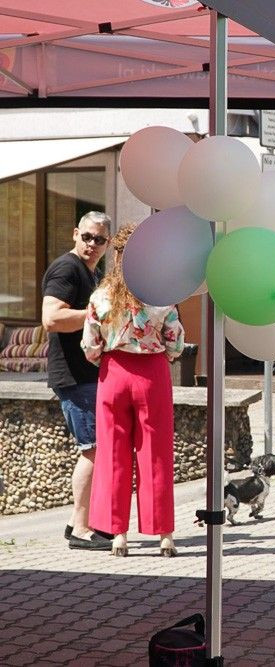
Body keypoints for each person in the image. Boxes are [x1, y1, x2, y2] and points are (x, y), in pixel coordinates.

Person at [81, 224, 185, 558]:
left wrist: (107, 356)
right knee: (155, 453)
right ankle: (164, 534)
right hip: (151, 374)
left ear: (117, 256)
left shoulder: (101, 296)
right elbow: (177, 343)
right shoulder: (161, 294)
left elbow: (90, 345)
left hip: (113, 374)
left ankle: (118, 535)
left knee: (112, 453)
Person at [41, 211, 113, 551]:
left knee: (95, 449)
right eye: (86, 236)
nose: (91, 244)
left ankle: (77, 522)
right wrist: (96, 312)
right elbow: (51, 318)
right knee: (92, 451)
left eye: (99, 239)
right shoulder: (67, 268)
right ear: (75, 234)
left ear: (107, 243)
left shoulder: (93, 271)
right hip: (73, 376)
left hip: (86, 374)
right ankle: (82, 529)